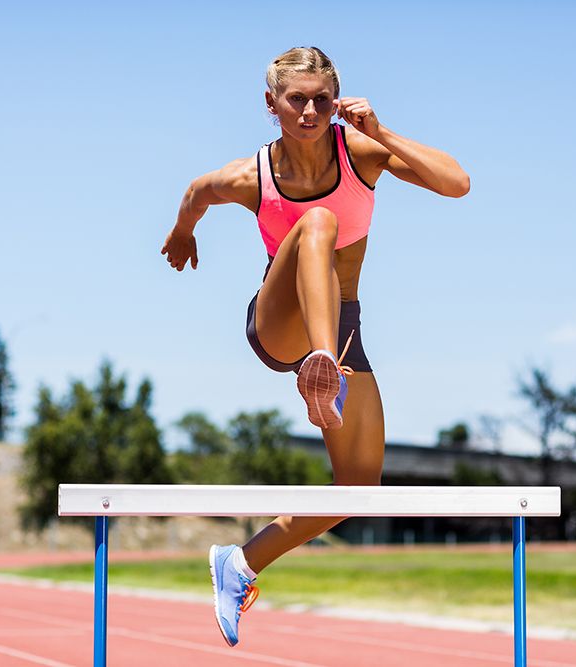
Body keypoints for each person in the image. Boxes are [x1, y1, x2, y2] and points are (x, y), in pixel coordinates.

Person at [161, 46, 469, 647]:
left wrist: (381, 131)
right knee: (320, 224)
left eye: (321, 100)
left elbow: (457, 183)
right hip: (281, 326)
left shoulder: (360, 151)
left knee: (359, 487)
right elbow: (198, 190)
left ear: (338, 100)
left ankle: (241, 564)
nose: (308, 111)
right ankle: (321, 366)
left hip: (344, 327)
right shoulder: (252, 176)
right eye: (295, 99)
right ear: (270, 104)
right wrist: (180, 234)